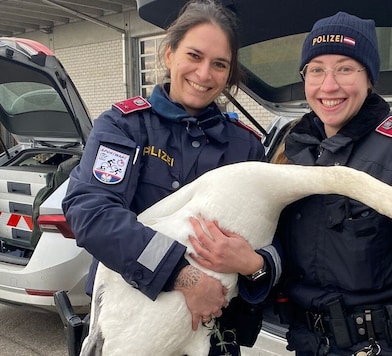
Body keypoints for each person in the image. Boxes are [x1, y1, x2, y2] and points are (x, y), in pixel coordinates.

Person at [61, 1, 276, 354]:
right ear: (169, 54)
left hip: (212, 337)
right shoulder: (124, 127)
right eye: (194, 55)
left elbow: (272, 241)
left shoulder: (246, 147)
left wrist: (256, 265)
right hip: (131, 331)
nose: (204, 74)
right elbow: (92, 212)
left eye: (219, 64)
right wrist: (182, 274)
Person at [270, 12, 392, 356]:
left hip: (383, 344)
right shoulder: (294, 148)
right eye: (316, 69)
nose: (328, 85)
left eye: (345, 68)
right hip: (307, 342)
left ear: (370, 79)